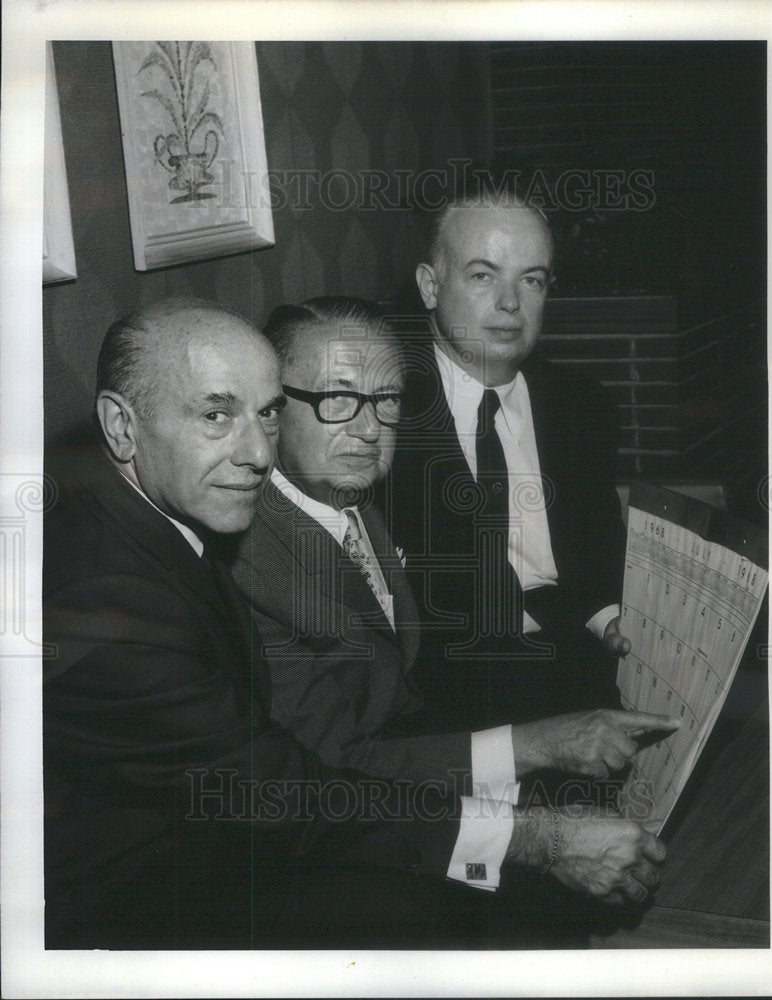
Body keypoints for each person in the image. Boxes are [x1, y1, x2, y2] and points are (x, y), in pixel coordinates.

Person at [43, 296, 668, 950]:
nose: (257, 452)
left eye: (266, 415)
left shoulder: (171, 521)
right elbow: (287, 792)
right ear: (120, 426)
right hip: (125, 915)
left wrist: (546, 745)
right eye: (215, 415)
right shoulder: (107, 598)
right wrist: (538, 836)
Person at [385, 189, 633, 733]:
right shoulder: (381, 410)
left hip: (581, 671)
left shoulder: (583, 407)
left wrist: (608, 614)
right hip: (439, 699)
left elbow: (596, 554)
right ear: (430, 286)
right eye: (482, 275)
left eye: (532, 279)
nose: (511, 304)